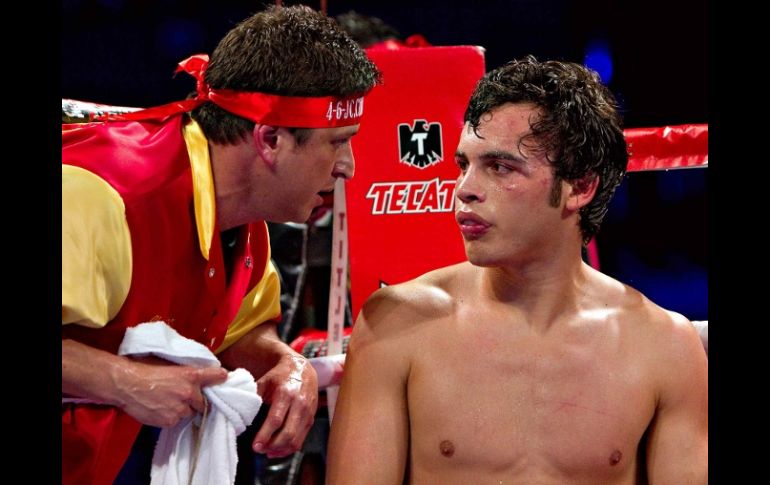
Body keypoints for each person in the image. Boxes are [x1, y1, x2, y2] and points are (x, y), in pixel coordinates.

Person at [327, 56, 707, 483]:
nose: (465, 190)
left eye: (500, 167)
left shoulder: (664, 347)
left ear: (580, 186)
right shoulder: (397, 323)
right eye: (463, 165)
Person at [61, 5, 380, 484]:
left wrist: (287, 364)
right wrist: (125, 381)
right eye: (338, 142)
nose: (349, 167)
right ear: (270, 139)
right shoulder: (103, 194)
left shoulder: (241, 216)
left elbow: (241, 332)